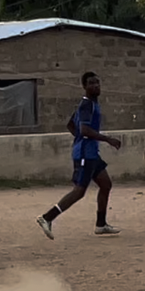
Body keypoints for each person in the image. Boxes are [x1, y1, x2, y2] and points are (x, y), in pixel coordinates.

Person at [39, 71, 122, 238]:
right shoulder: (86, 105)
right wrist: (107, 139)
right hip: (85, 154)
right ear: (84, 87)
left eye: (97, 82)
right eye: (91, 83)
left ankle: (101, 224)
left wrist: (79, 138)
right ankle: (47, 217)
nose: (95, 86)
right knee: (79, 191)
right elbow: (83, 130)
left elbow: (71, 125)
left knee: (105, 184)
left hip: (91, 153)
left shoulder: (89, 104)